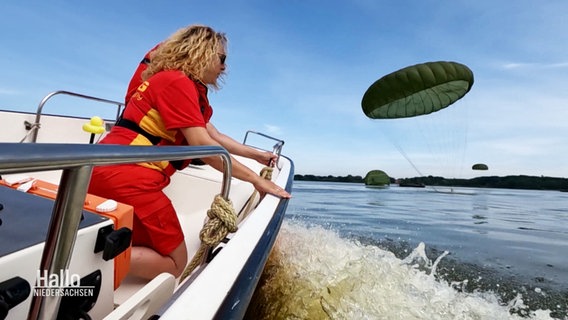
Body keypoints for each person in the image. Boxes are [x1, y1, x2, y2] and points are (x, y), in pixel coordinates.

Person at [88, 25, 291, 281]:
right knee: (175, 264)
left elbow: (214, 136)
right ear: (202, 52)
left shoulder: (168, 81)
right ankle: (87, 263)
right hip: (130, 180)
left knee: (133, 240)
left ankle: (95, 255)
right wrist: (256, 180)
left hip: (100, 170)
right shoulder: (178, 82)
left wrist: (256, 155)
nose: (224, 67)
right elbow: (204, 147)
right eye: (222, 58)